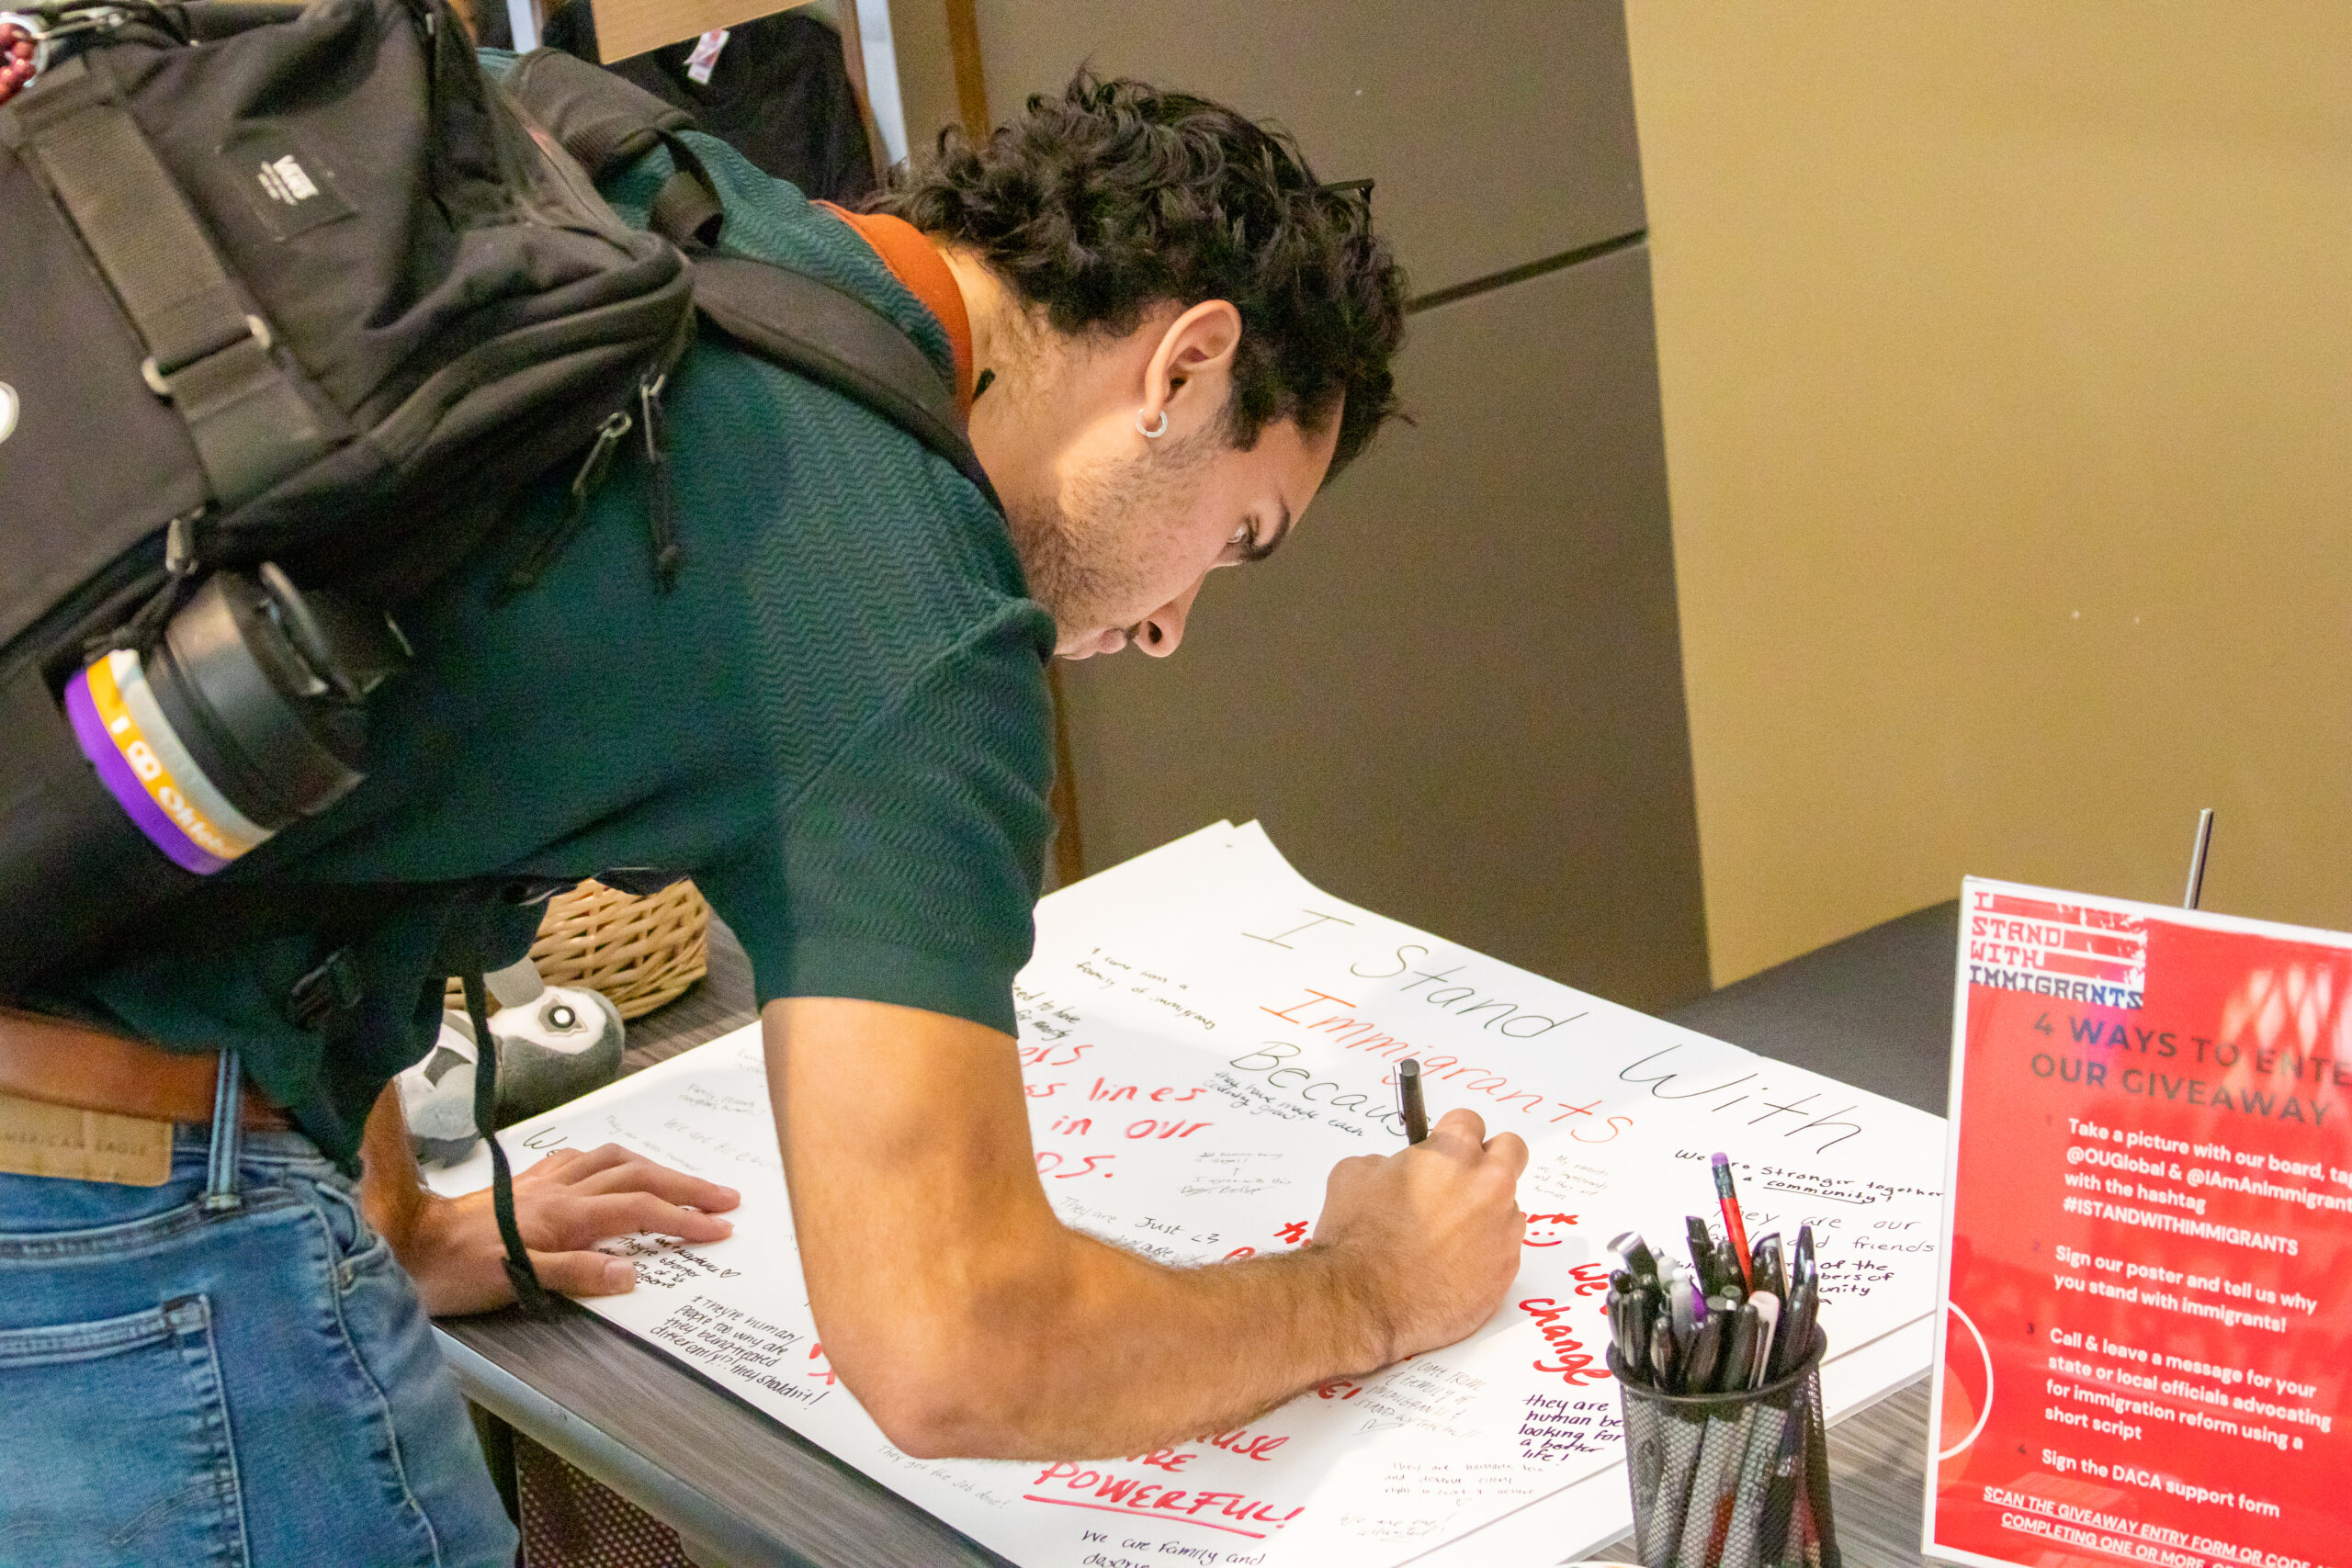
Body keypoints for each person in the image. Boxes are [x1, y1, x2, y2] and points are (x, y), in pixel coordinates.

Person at [0, 46, 1529, 1567]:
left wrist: (396, 1215)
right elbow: (957, 1349)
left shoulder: (633, 184)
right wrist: (1370, 1286)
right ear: (1184, 370)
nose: (1174, 624)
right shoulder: (902, 595)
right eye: (1237, 534)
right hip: (95, 1253)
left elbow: (363, 692)